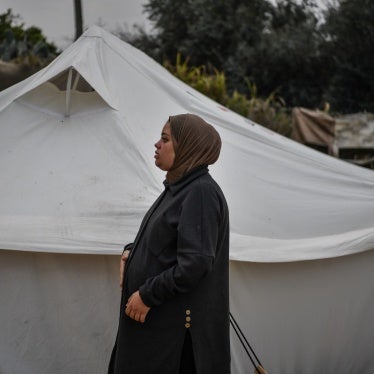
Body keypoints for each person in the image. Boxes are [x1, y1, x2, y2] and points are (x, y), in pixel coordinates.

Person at [108, 113, 230, 374]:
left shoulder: (200, 192)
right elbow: (162, 242)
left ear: (187, 147)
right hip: (156, 331)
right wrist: (131, 253)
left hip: (173, 338)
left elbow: (195, 263)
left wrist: (147, 294)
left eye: (165, 139)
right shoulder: (179, 189)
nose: (156, 145)